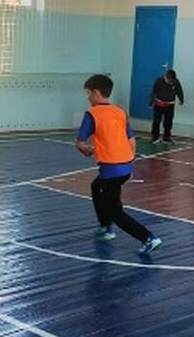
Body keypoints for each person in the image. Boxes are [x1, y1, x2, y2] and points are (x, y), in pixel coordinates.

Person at [76, 74, 162, 256]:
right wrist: (129, 160)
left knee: (115, 211)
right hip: (125, 166)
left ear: (96, 93)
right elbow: (131, 140)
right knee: (96, 186)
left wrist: (86, 150)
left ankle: (148, 238)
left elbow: (80, 143)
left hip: (111, 169)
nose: (88, 97)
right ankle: (105, 227)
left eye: (88, 93)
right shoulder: (120, 112)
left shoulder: (92, 114)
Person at [149, 69, 185, 143]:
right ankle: (155, 137)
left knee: (168, 122)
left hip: (170, 105)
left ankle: (166, 137)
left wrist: (181, 99)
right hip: (159, 104)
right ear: (166, 77)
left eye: (172, 81)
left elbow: (179, 90)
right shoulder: (159, 81)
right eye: (169, 81)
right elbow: (153, 91)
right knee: (156, 121)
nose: (170, 82)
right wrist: (151, 102)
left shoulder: (176, 82)